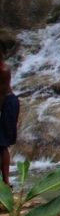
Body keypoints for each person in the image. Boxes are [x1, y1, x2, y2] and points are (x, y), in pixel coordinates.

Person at [0, 57, 19, 187]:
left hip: (7, 103)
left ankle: (6, 181)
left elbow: (0, 94)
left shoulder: (3, 70)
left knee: (2, 144)